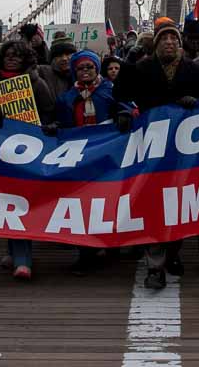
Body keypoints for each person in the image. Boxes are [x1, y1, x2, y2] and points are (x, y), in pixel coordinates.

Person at [113, 22, 199, 289]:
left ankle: (173, 254)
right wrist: (129, 62)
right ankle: (155, 265)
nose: (169, 42)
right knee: (153, 204)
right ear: (155, 45)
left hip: (183, 149)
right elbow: (120, 94)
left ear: (179, 44)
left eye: (173, 38)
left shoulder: (194, 69)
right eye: (163, 38)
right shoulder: (142, 68)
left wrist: (195, 103)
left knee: (178, 202)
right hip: (151, 147)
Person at [0, 39, 56, 280]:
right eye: (8, 55)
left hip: (31, 151)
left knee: (21, 202)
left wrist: (42, 128)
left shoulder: (37, 84)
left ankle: (22, 259)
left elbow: (49, 112)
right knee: (8, 201)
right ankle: (14, 250)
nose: (12, 58)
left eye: (17, 55)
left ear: (25, 58)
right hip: (1, 151)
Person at [54, 49, 120, 274]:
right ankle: (86, 253)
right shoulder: (66, 99)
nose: (85, 72)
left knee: (109, 201)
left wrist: (126, 114)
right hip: (80, 160)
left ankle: (112, 246)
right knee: (84, 204)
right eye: (80, 68)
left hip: (107, 156)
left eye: (89, 67)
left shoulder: (110, 92)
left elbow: (128, 107)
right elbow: (60, 125)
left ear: (96, 69)